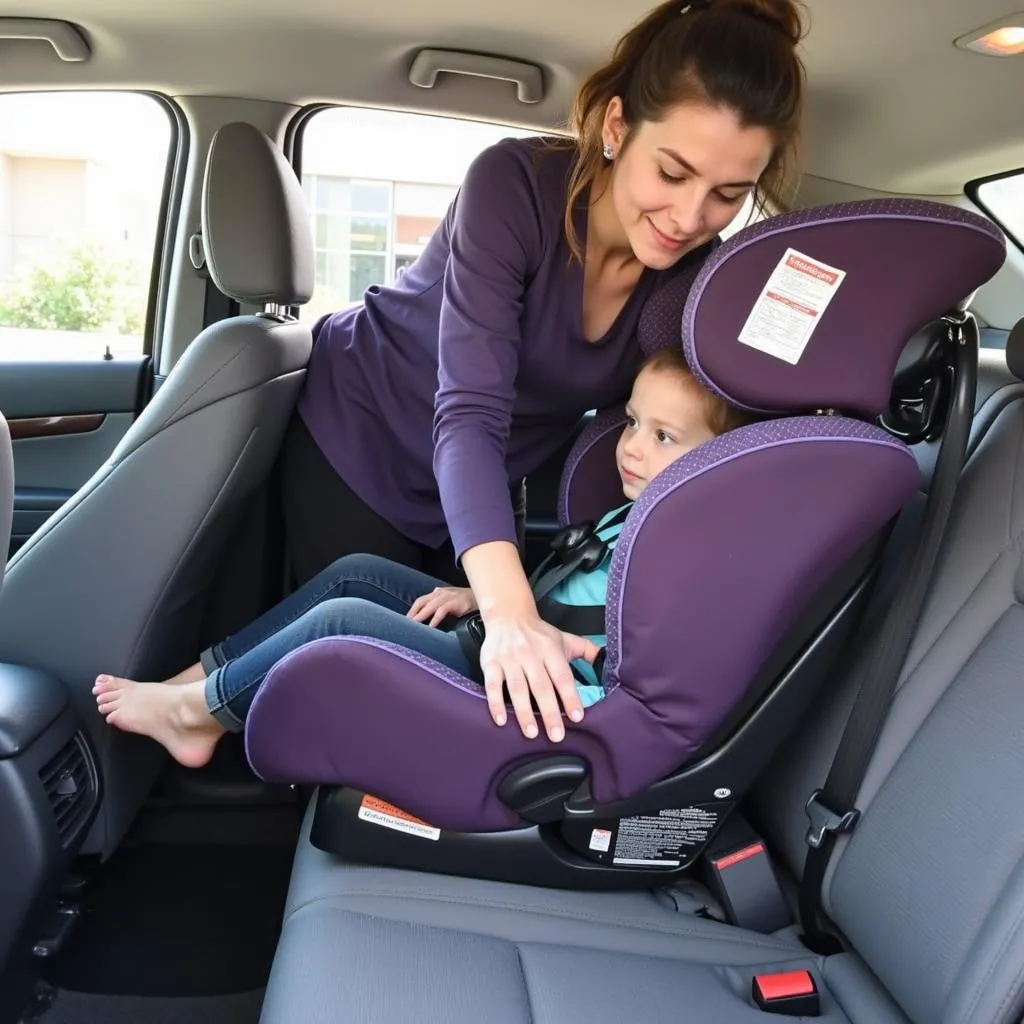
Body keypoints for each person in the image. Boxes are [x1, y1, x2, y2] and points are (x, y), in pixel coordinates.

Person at [280, 0, 806, 745]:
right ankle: (206, 712)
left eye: (727, 194)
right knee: (347, 673)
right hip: (369, 428)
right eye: (674, 172)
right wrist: (513, 615)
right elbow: (467, 415)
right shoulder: (516, 186)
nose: (691, 216)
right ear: (618, 128)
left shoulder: (694, 281)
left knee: (433, 687)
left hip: (488, 480)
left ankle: (196, 703)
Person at [94, 350, 749, 765]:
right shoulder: (638, 511)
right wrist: (483, 598)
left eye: (664, 437)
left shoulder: (686, 550)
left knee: (340, 622)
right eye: (632, 422)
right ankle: (194, 683)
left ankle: (193, 716)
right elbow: (571, 592)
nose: (632, 448)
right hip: (514, 650)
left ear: (720, 457)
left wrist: (559, 646)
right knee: (356, 575)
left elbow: (635, 665)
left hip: (545, 699)